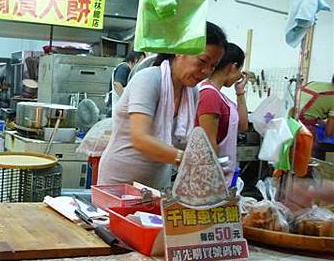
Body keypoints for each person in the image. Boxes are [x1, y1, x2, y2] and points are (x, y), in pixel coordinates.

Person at [98, 22, 227, 189]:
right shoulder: (149, 80)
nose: (206, 72)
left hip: (157, 185)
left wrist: (207, 160)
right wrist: (189, 160)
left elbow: (181, 141)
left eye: (213, 66)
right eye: (202, 61)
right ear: (180, 51)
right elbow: (141, 139)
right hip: (119, 182)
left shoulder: (191, 92)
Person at [195, 43, 248, 183]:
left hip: (222, 176)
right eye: (239, 70)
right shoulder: (209, 95)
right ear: (233, 67)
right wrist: (212, 182)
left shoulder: (219, 96)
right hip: (210, 179)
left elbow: (243, 126)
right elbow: (209, 144)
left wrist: (240, 91)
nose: (238, 77)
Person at [106, 51, 145, 117]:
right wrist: (126, 101)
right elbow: (117, 84)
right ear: (135, 59)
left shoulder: (129, 71)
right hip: (115, 108)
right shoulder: (124, 67)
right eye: (141, 61)